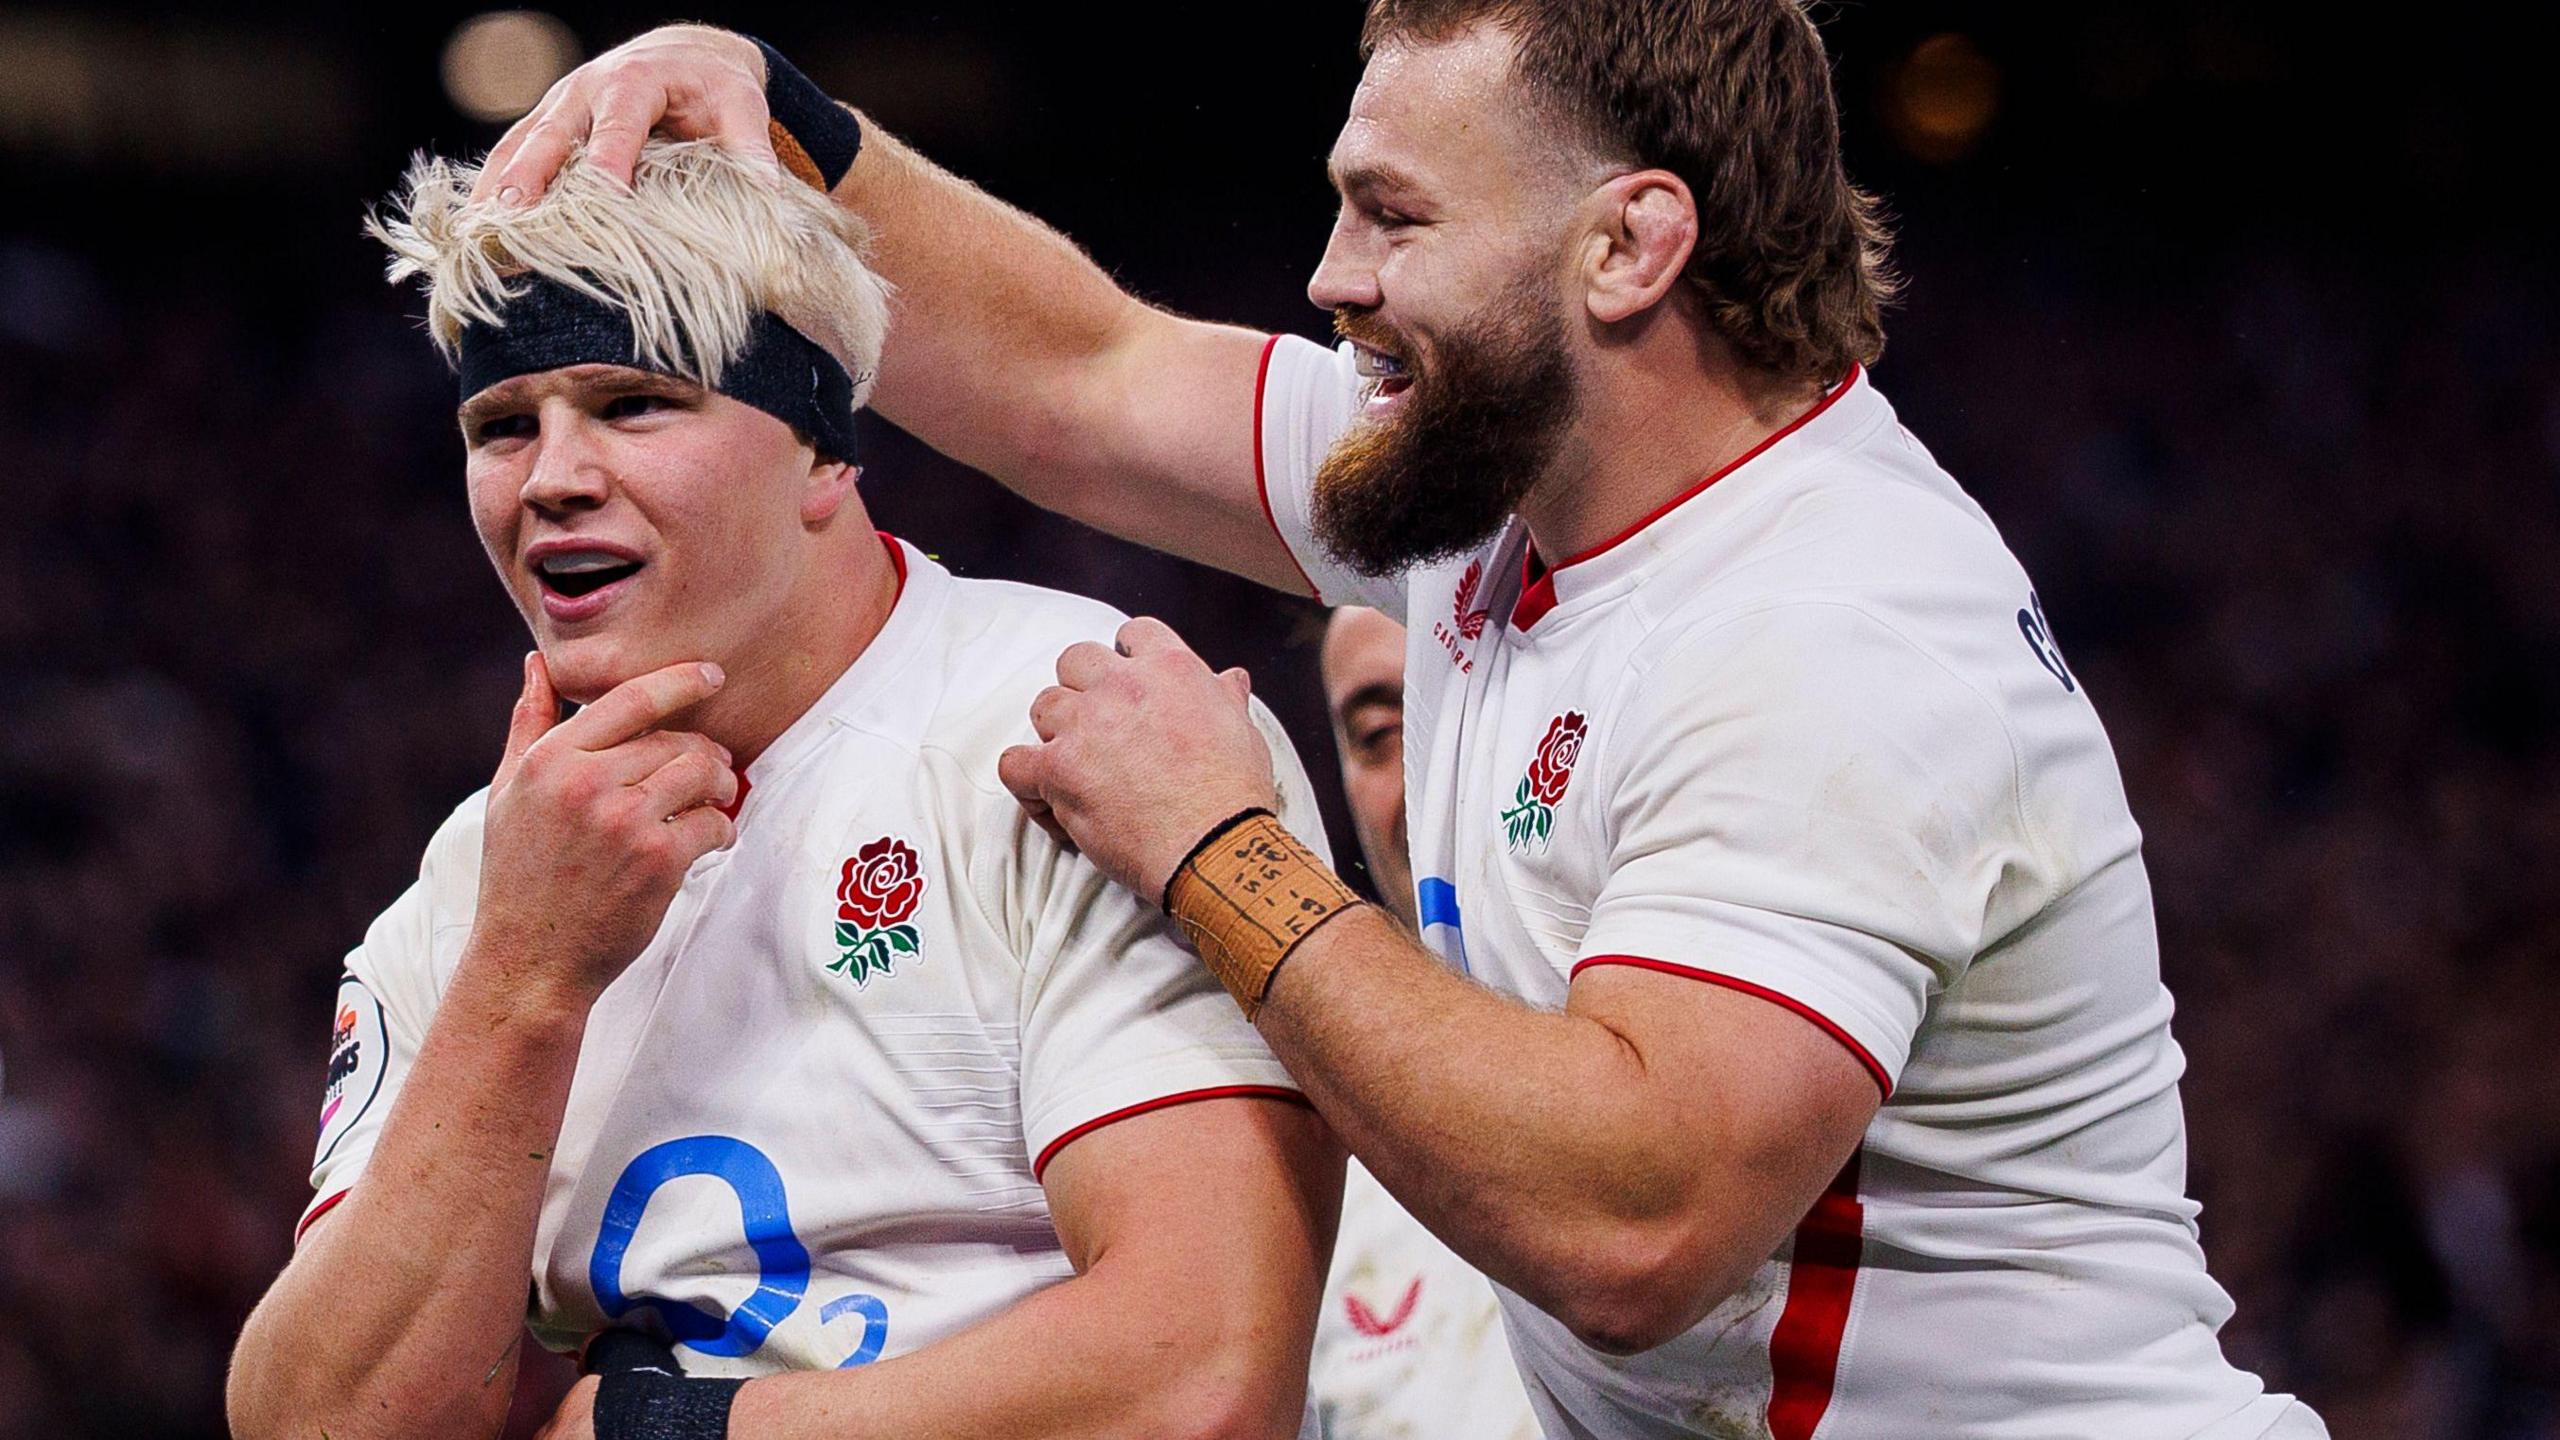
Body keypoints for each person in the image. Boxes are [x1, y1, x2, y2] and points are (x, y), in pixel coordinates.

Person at [484, 6, 2330, 1436]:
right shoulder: (1496, 491)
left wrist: (1224, 859)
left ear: (1630, 248)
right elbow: (1084, 375)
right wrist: (789, 122)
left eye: (1395, 215)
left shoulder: (1833, 625)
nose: (1331, 276)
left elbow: (1639, 1228)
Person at [224, 136, 1340, 1440]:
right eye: (501, 425)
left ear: (824, 454)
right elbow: (316, 1427)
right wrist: (525, 984)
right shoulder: (487, 881)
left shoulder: (1084, 733)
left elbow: (1198, 1380)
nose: (553, 478)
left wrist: (670, 1431)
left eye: (634, 403)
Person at [1310, 605, 1537, 1440]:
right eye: (1380, 731)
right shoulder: (1301, 1160)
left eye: (1478, 693)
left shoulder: (1774, 1040)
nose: (1433, 774)